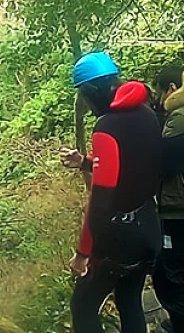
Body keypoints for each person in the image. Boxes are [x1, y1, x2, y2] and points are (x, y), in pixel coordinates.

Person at [60, 52, 162, 333]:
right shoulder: (146, 112)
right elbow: (129, 166)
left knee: (82, 306)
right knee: (129, 300)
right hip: (148, 227)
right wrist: (84, 162)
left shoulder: (107, 127)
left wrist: (83, 253)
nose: (86, 103)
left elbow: (101, 201)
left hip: (119, 240)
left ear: (94, 91)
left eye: (85, 96)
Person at [153, 66, 184, 332]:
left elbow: (165, 163)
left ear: (171, 89)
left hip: (177, 209)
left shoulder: (178, 118)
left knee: (173, 273)